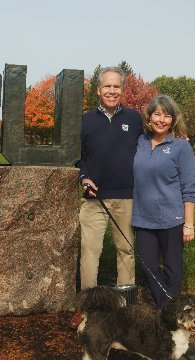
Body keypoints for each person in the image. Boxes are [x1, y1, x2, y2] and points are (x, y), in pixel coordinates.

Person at [70, 66, 143, 327]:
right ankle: (88, 309)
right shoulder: (86, 120)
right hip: (95, 198)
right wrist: (84, 177)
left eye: (116, 87)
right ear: (98, 89)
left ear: (123, 90)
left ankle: (126, 309)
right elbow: (80, 157)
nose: (112, 91)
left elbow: (150, 147)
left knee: (126, 250)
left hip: (127, 197)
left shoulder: (135, 119)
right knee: (90, 252)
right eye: (107, 86)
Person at [132, 94, 195, 308]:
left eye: (167, 115)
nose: (161, 120)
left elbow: (189, 189)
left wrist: (189, 224)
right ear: (149, 117)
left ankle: (165, 311)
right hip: (143, 219)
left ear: (173, 120)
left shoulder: (181, 147)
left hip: (173, 219)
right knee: (148, 266)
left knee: (172, 268)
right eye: (157, 114)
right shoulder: (139, 142)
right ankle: (169, 308)